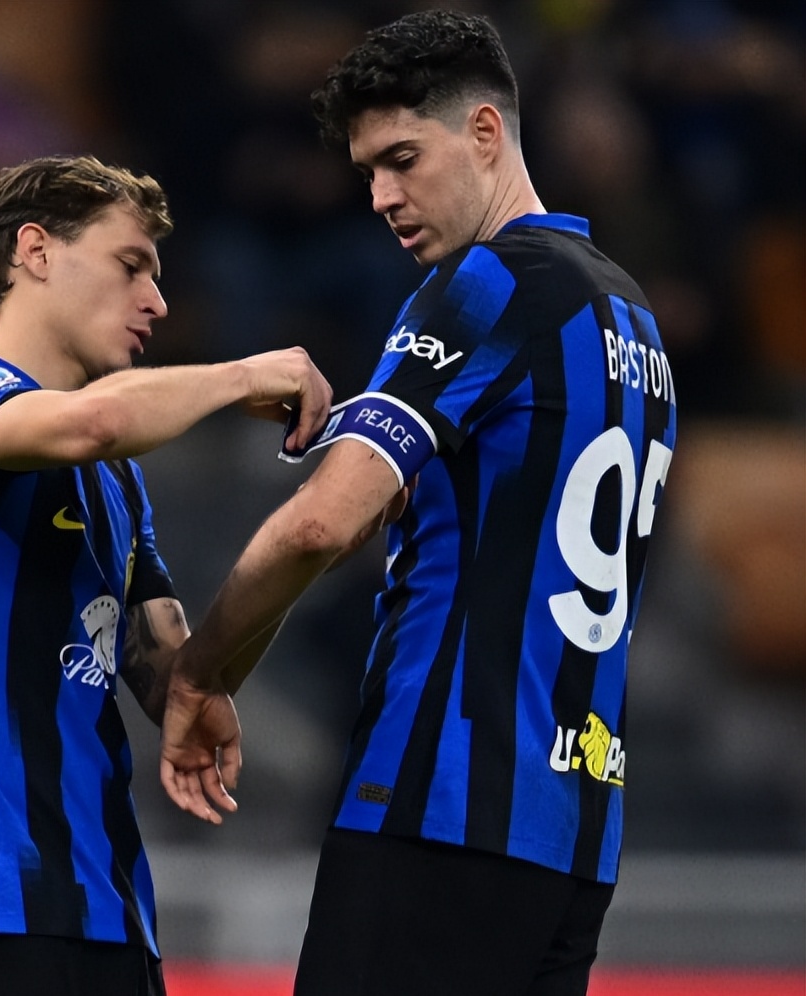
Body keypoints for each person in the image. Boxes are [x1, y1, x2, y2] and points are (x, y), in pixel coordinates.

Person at [159, 10, 677, 995]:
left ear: (485, 131)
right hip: (575, 832)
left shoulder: (488, 283)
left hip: (440, 806)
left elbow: (323, 521)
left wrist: (201, 670)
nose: (383, 198)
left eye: (402, 159)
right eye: (367, 173)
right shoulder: (633, 319)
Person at [0, 155, 331, 996]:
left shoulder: (116, 480)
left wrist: (321, 531)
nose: (158, 300)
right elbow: (93, 423)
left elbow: (179, 677)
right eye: (131, 265)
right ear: (35, 251)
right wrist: (240, 377)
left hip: (110, 908)